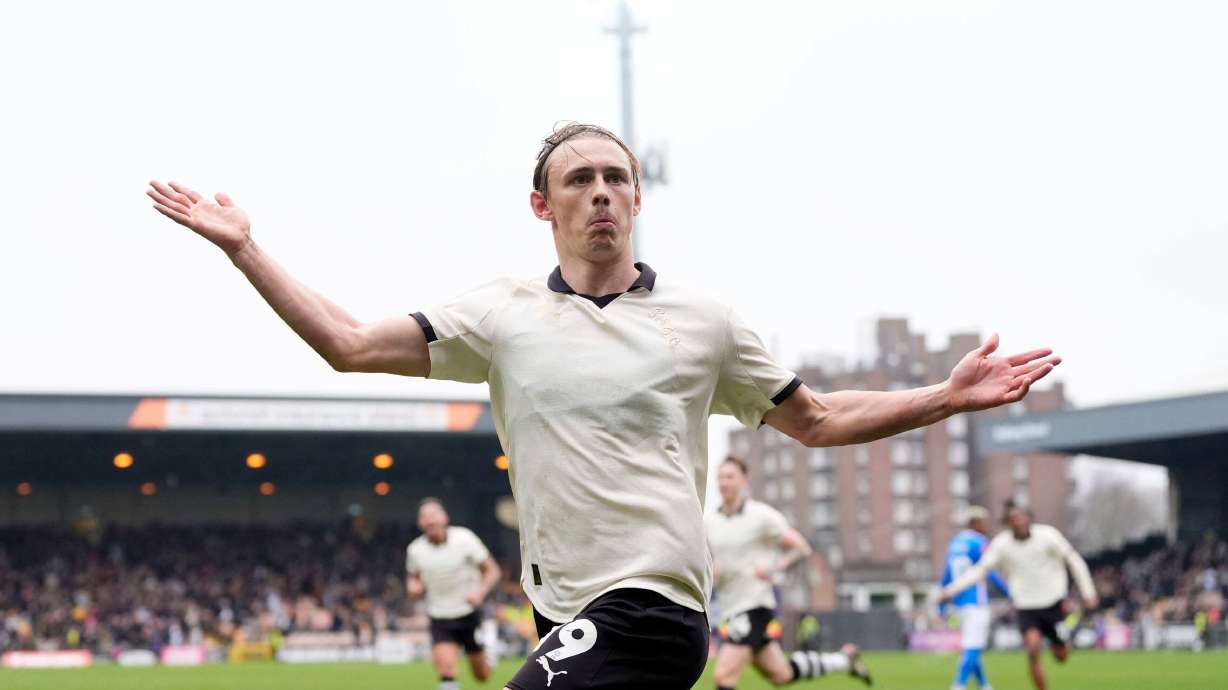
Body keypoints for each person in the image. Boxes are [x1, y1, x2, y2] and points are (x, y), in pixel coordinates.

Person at [147, 121, 1061, 689]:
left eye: (616, 178)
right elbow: (347, 344)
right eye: (579, 179)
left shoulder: (703, 322)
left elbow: (814, 419)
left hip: (652, 605)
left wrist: (944, 397)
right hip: (564, 612)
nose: (600, 193)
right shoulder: (500, 315)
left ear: (637, 199)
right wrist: (245, 249)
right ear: (542, 205)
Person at [707, 456, 871, 688]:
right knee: (781, 675)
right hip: (730, 607)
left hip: (754, 607)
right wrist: (712, 571)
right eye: (721, 477)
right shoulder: (710, 521)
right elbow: (710, 560)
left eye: (730, 476)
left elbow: (801, 547)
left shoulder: (761, 516)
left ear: (744, 481)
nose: (724, 482)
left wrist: (774, 568)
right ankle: (843, 660)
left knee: (724, 677)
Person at [940, 501, 1098, 690]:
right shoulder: (1002, 544)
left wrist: (1088, 592)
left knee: (1061, 656)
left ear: (1029, 519)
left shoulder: (1048, 536)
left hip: (1053, 603)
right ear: (1009, 523)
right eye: (1014, 520)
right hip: (1026, 606)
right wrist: (949, 590)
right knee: (1032, 650)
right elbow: (980, 570)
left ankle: (1061, 643)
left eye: (1022, 518)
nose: (1019, 522)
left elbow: (1074, 561)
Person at [407, 498, 502, 690]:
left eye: (434, 515)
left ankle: (486, 654)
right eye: (425, 516)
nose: (430, 520)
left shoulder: (465, 538)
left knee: (482, 677)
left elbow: (493, 570)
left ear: (445, 518)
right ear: (420, 523)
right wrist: (413, 587)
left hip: (468, 614)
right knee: (447, 671)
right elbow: (413, 578)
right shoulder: (415, 550)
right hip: (439, 616)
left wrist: (479, 593)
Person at [939, 505, 1010, 690]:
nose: (986, 525)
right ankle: (958, 685)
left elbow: (946, 575)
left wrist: (943, 600)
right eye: (983, 522)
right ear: (975, 523)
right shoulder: (979, 542)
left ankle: (984, 685)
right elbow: (989, 570)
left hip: (959, 602)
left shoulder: (955, 543)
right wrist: (1010, 592)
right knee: (973, 647)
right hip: (976, 601)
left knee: (972, 644)